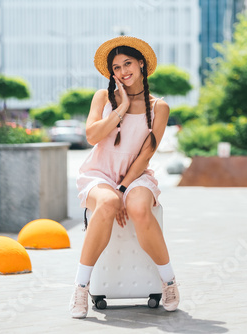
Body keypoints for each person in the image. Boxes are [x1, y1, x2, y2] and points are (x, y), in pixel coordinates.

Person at [69, 36, 180, 318]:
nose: (122, 71)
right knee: (106, 204)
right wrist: (119, 109)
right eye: (116, 68)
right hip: (99, 173)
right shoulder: (102, 98)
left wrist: (122, 188)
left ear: (141, 64)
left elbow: (146, 154)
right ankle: (81, 288)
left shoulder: (160, 107)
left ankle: (168, 282)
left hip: (136, 175)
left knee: (140, 207)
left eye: (127, 63)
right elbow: (92, 135)